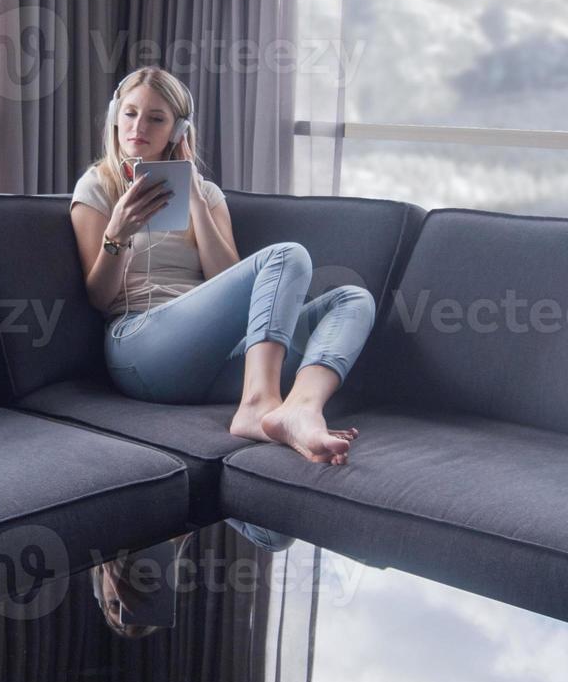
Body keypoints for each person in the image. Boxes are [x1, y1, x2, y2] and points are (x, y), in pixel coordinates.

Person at [68, 67, 375, 465]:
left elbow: (226, 278)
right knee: (287, 255)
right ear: (115, 116)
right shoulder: (97, 186)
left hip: (213, 359)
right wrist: (117, 234)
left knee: (353, 299)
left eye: (156, 118)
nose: (138, 127)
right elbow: (98, 297)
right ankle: (258, 403)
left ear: (178, 130)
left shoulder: (208, 194)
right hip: (142, 348)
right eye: (129, 113)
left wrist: (195, 197)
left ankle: (300, 408)